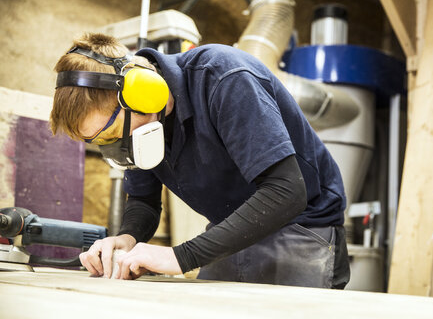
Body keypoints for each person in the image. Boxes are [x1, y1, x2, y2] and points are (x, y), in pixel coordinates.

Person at [50, 33, 350, 289]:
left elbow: (286, 191)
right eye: (101, 141)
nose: (115, 147)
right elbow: (143, 200)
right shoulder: (143, 127)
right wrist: (127, 238)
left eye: (112, 132)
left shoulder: (223, 77)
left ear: (142, 92)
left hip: (301, 228)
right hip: (233, 230)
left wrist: (179, 257)